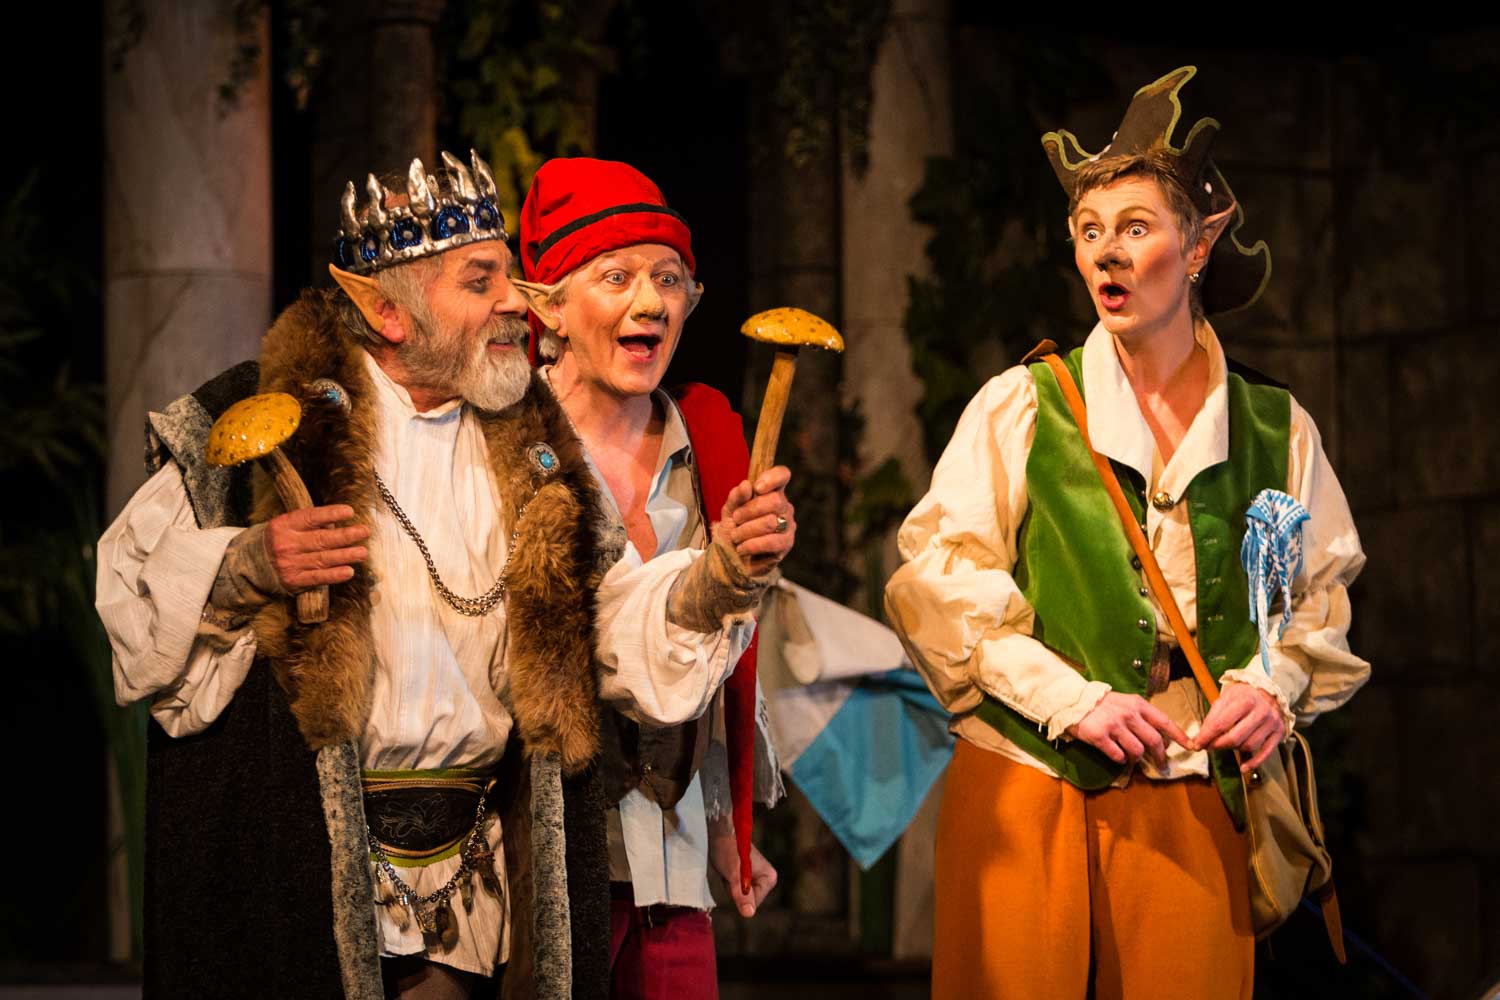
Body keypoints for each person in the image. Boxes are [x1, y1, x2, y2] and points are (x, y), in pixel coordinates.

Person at [96, 151, 730, 999]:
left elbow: (610, 618)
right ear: (388, 313)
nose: (515, 300)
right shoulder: (254, 425)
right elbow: (130, 597)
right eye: (481, 281)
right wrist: (250, 562)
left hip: (472, 894)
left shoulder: (532, 449)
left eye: (509, 274)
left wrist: (719, 581)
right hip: (299, 875)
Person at [884, 67, 1370, 999]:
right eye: (1090, 232)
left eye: (1136, 229)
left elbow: (1318, 600)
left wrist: (1273, 688)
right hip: (1029, 775)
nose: (1107, 254)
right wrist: (1072, 699)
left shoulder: (1275, 428)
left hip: (1191, 783)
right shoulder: (1022, 407)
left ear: (1197, 246)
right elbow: (938, 576)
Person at [513, 157, 788, 999]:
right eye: (618, 276)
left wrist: (720, 825)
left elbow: (713, 660)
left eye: (669, 278)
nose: (651, 302)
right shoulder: (504, 442)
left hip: (668, 870)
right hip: (538, 863)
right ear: (549, 305)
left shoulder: (707, 438)